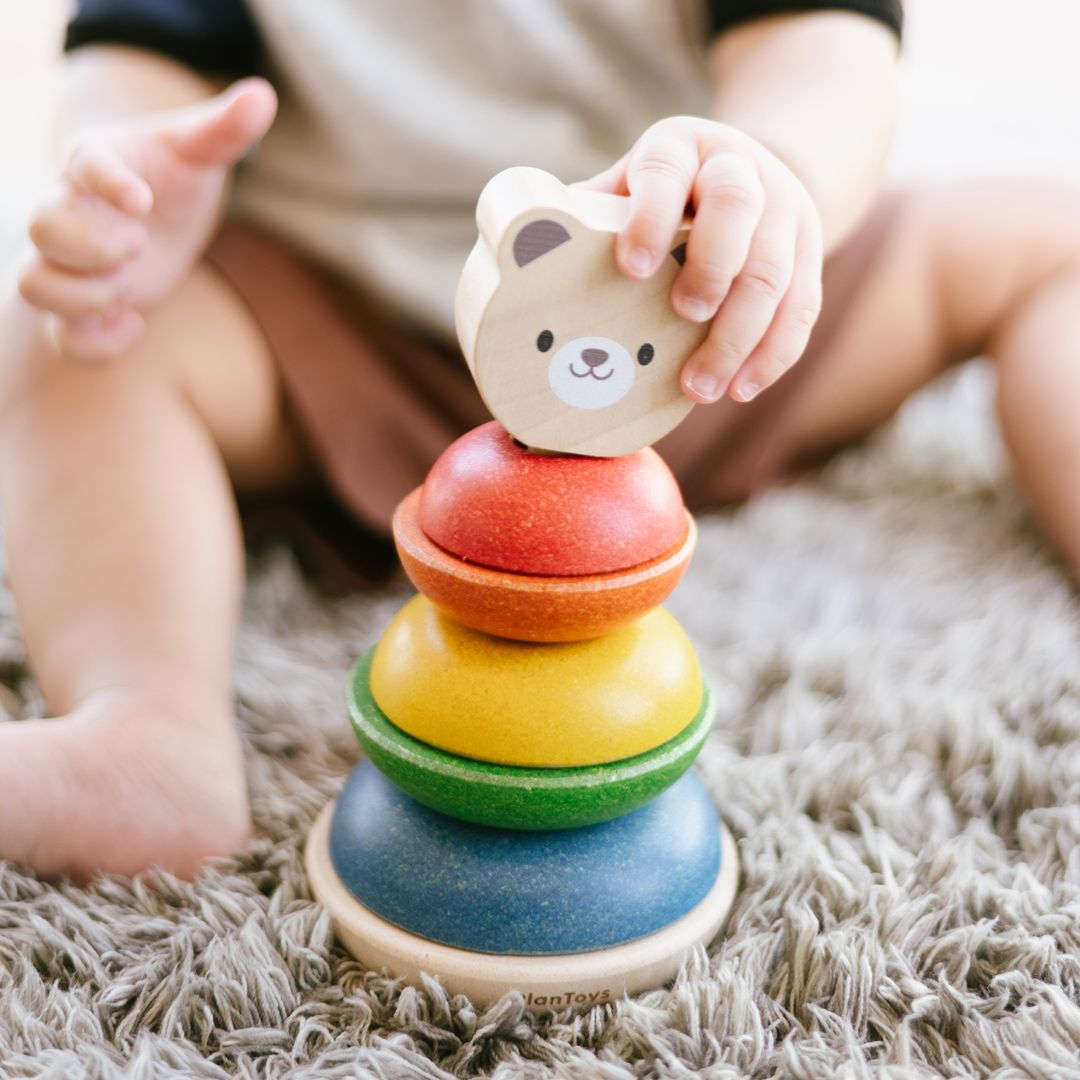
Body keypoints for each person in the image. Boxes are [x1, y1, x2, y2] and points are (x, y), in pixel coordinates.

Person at [1, 1, 1075, 882]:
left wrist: (775, 170)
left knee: (1047, 242)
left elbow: (828, 48)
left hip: (712, 314)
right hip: (332, 324)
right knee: (68, 337)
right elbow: (140, 48)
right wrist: (130, 182)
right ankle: (149, 732)